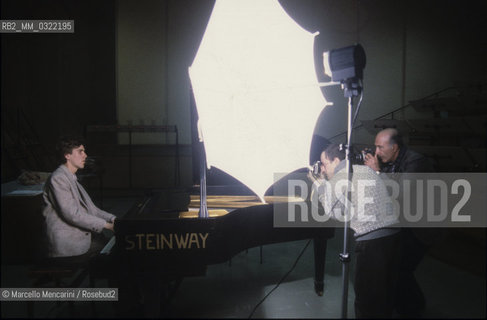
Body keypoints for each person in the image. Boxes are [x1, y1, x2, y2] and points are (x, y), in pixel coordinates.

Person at [309, 143, 400, 318]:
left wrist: (319, 184)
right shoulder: (364, 170)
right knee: (386, 295)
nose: (323, 168)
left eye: (325, 163)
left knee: (366, 299)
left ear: (336, 160)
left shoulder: (341, 177)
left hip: (373, 241)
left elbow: (332, 212)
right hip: (394, 236)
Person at [363, 128, 435, 316]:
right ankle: (405, 305)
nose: (376, 152)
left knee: (401, 268)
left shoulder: (417, 162)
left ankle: (414, 307)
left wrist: (377, 172)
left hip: (423, 227)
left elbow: (401, 192)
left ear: (395, 147)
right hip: (403, 223)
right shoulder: (389, 161)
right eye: (375, 147)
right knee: (395, 268)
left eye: (380, 147)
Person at [42, 135, 116, 258]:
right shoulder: (58, 178)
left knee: (111, 244)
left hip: (78, 238)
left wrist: (113, 219)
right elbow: (72, 214)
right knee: (114, 250)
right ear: (67, 155)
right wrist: (107, 225)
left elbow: (93, 210)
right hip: (67, 244)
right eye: (80, 151)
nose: (85, 155)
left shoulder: (71, 178)